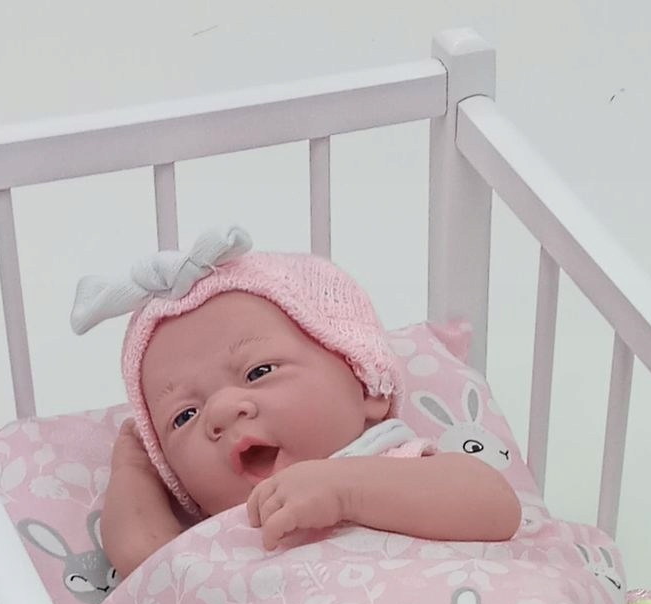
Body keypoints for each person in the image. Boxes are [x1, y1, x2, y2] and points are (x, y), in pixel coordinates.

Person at [71, 227, 520, 581]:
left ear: (366, 386)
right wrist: (134, 470)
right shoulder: (215, 539)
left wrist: (346, 491)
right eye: (183, 416)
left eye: (259, 371)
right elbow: (142, 555)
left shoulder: (391, 464)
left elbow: (495, 504)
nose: (221, 412)